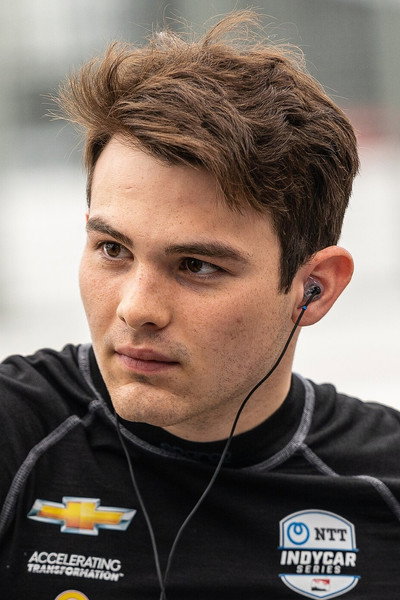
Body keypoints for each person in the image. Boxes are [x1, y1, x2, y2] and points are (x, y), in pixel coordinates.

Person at [0, 11, 399, 600]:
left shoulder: (383, 487)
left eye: (196, 266)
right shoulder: (18, 435)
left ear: (314, 288)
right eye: (112, 249)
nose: (137, 309)